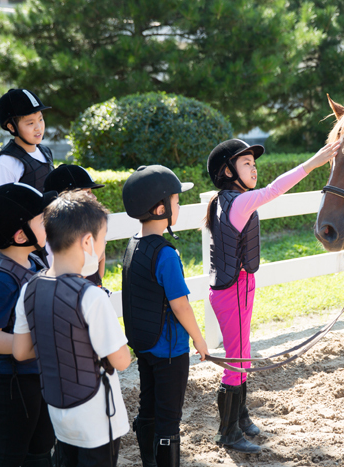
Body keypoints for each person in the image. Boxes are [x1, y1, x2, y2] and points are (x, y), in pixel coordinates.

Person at [204, 138, 340, 453]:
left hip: (240, 287)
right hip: (233, 290)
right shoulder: (239, 201)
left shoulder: (231, 198)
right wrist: (314, 163)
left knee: (242, 356)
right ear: (228, 171)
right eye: (246, 164)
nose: (254, 169)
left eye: (254, 163)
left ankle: (241, 418)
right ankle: (228, 433)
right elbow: (275, 190)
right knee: (236, 362)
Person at [12, 190, 131, 467]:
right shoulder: (91, 296)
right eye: (102, 240)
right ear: (88, 241)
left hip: (60, 414)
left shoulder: (30, 288)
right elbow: (122, 360)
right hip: (98, 420)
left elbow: (20, 351)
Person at [121, 165, 209, 467]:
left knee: (149, 408)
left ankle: (148, 461)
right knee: (169, 418)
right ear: (160, 208)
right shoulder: (166, 254)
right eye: (176, 200)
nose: (179, 205)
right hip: (171, 350)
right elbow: (180, 305)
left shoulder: (133, 245)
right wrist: (200, 340)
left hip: (144, 345)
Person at [0, 182, 57, 467]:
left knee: (42, 445)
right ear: (21, 235)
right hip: (8, 378)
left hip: (36, 371)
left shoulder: (34, 261)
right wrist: (27, 346)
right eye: (41, 219)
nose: (48, 221)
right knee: (12, 451)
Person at [43, 164, 107, 286]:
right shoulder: (54, 236)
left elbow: (99, 275)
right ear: (67, 198)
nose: (94, 197)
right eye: (87, 192)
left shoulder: (87, 229)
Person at [0, 88, 54, 192]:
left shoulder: (45, 152)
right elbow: (1, 206)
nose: (38, 127)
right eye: (30, 123)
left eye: (40, 119)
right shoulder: (6, 163)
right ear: (12, 127)